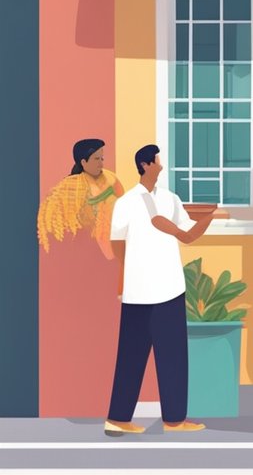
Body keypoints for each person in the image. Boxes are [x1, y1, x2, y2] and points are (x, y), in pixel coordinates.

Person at [104, 144, 220, 436]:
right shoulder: (127, 202)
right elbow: (117, 243)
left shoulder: (171, 198)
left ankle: (175, 419)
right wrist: (131, 271)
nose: (162, 166)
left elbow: (188, 233)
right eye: (157, 162)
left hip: (169, 288)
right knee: (130, 356)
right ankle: (117, 419)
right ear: (145, 165)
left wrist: (209, 218)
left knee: (174, 356)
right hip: (138, 291)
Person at [37, 139, 125, 259]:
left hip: (117, 239)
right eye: (96, 159)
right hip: (91, 249)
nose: (101, 163)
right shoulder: (71, 187)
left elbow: (123, 202)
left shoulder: (110, 177)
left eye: (102, 159)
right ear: (83, 162)